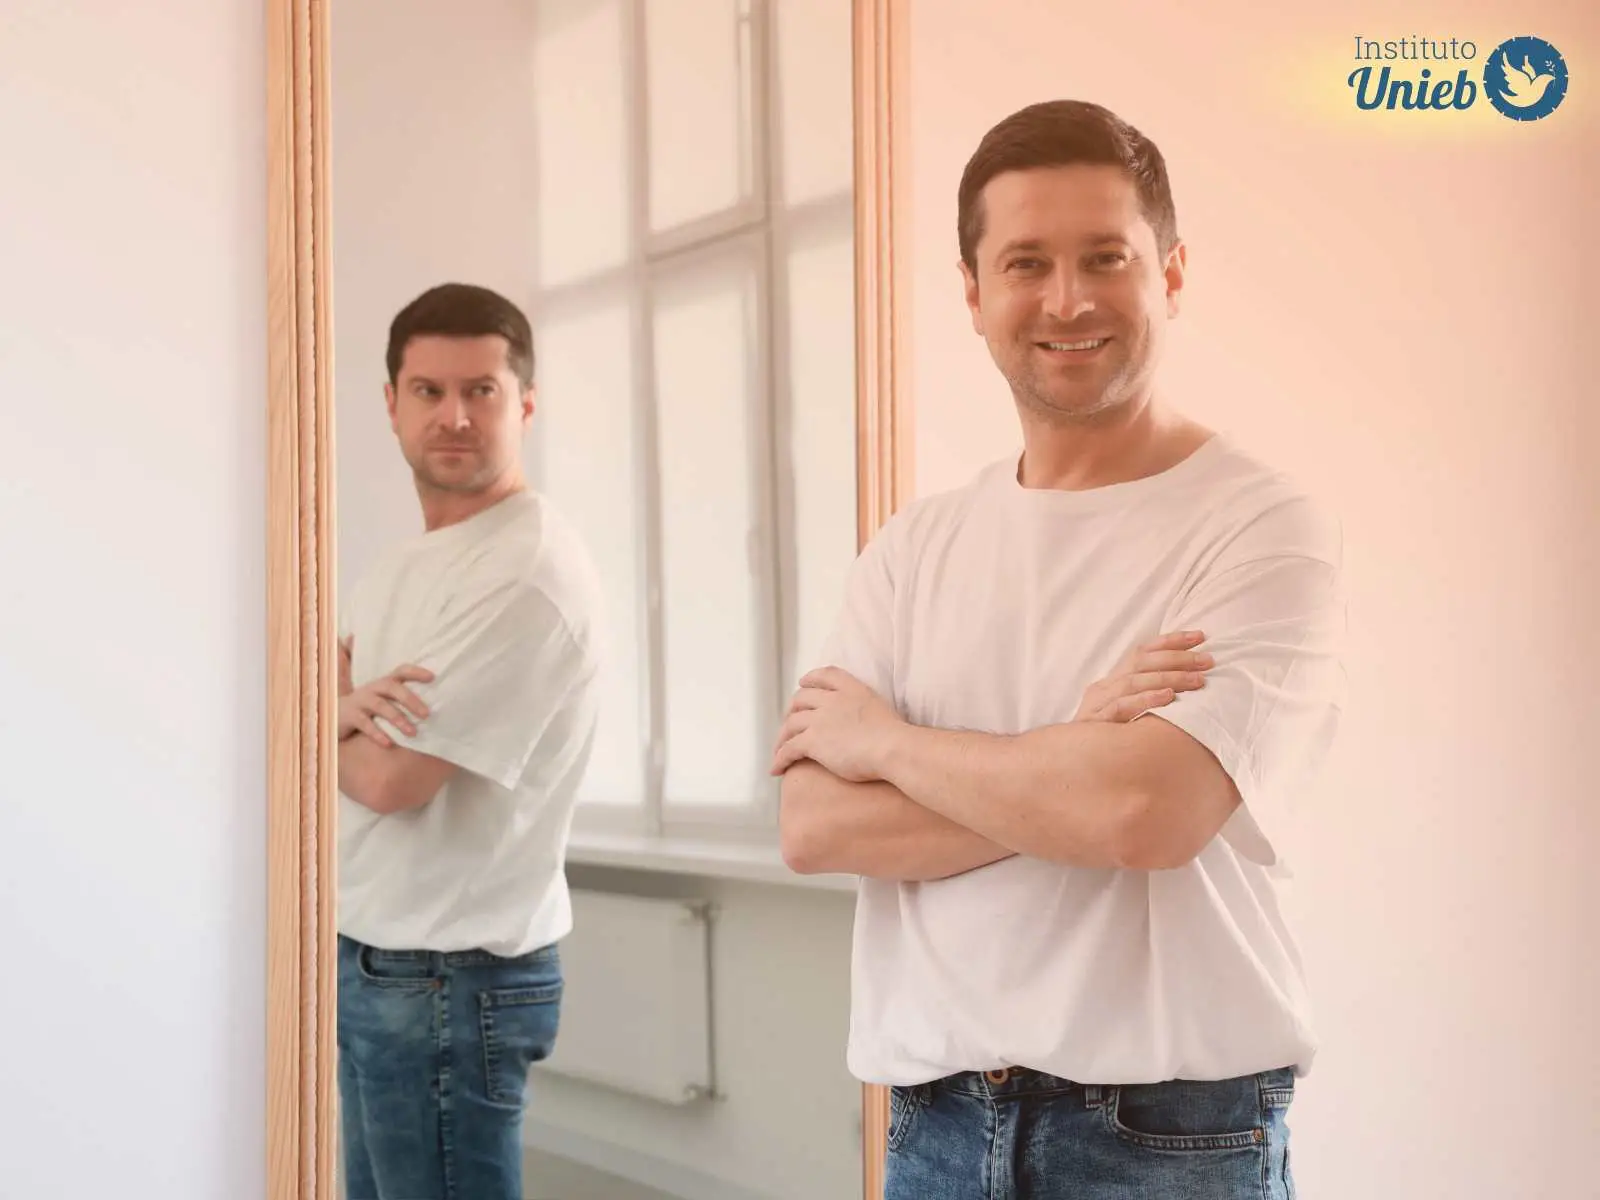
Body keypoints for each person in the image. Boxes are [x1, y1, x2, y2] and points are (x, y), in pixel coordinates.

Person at [772, 99, 1346, 1198]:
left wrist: (886, 745)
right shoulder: (913, 547)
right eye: (1026, 262)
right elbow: (815, 825)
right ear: (973, 294)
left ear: (1171, 273)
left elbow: (1143, 815)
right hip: (933, 1129)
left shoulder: (1261, 526)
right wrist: (1071, 752)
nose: (1068, 298)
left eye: (1105, 258)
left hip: (1168, 1143)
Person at [334, 282, 607, 1200]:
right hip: (382, 959)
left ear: (524, 404)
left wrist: (319, 717)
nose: (453, 415)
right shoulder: (402, 565)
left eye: (480, 390)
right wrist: (332, 712)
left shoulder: (524, 571)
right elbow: (335, 705)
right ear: (391, 403)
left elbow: (389, 779)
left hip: (450, 979)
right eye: (428, 390)